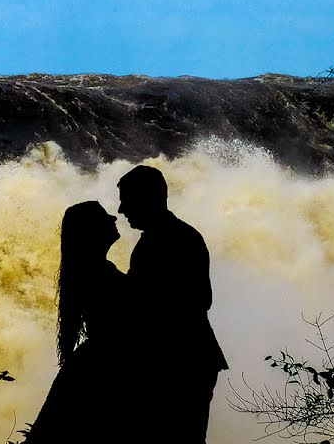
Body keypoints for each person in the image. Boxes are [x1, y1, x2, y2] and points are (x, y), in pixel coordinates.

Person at [117, 164, 228, 443]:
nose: (121, 210)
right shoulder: (176, 235)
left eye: (126, 200)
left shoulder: (170, 239)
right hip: (191, 360)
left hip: (180, 364)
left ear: (148, 198)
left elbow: (199, 300)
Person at [25, 200, 130, 443]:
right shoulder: (99, 273)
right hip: (106, 364)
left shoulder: (90, 269)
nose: (114, 219)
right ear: (91, 231)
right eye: (105, 217)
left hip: (94, 362)